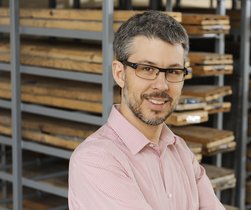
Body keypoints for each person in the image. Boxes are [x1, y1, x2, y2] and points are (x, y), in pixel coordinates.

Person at [68, 10, 225, 210]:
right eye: (147, 69)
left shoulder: (181, 151)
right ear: (120, 74)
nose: (162, 85)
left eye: (174, 71)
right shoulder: (95, 160)